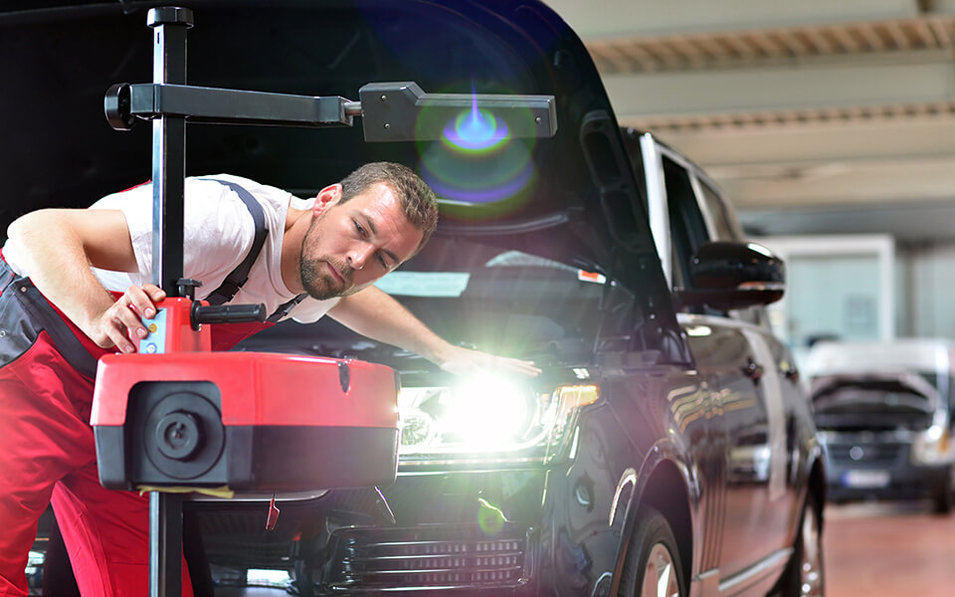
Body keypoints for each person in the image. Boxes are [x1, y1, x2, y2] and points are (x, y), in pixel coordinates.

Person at [0, 162, 540, 597]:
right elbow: (34, 230)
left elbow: (358, 303)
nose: (357, 261)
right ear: (326, 198)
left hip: (130, 403)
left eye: (384, 259)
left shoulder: (318, 276)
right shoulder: (222, 221)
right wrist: (98, 312)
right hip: (34, 357)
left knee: (148, 583)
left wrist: (446, 354)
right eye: (360, 230)